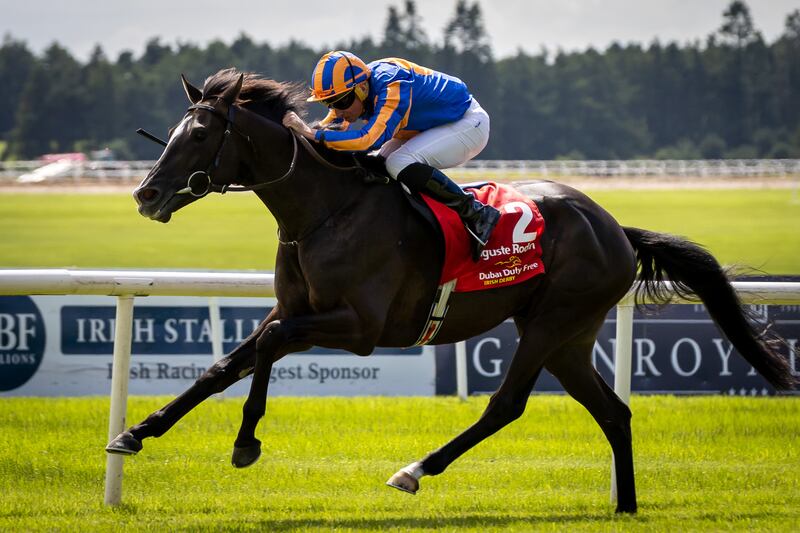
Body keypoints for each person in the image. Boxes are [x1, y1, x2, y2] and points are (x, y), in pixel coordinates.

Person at [282, 50, 500, 261]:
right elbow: (339, 123)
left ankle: (476, 213)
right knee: (379, 164)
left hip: (467, 124)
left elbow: (367, 140)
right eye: (328, 103)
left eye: (340, 103)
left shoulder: (392, 85)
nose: (337, 110)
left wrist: (312, 133)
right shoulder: (362, 87)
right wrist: (316, 128)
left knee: (397, 163)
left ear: (362, 88)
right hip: (429, 126)